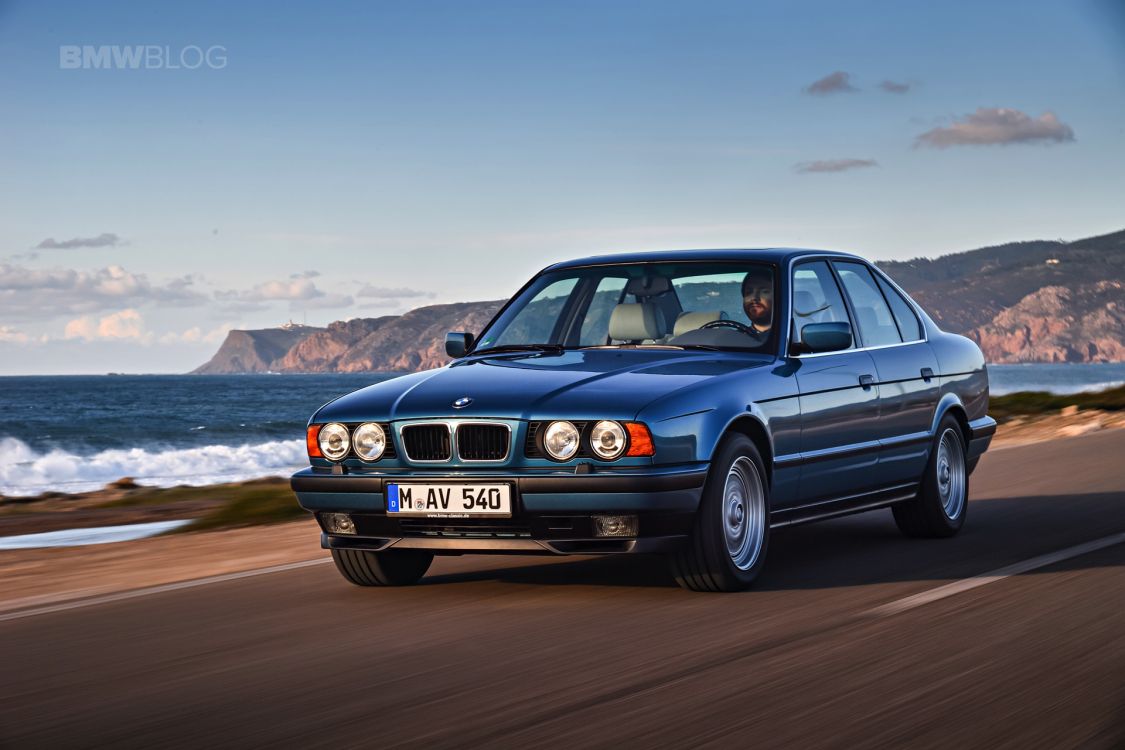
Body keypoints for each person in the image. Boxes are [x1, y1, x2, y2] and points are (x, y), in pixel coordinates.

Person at [741, 268, 774, 333]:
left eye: (764, 291)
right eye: (749, 292)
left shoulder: (791, 336)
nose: (754, 297)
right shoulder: (734, 339)